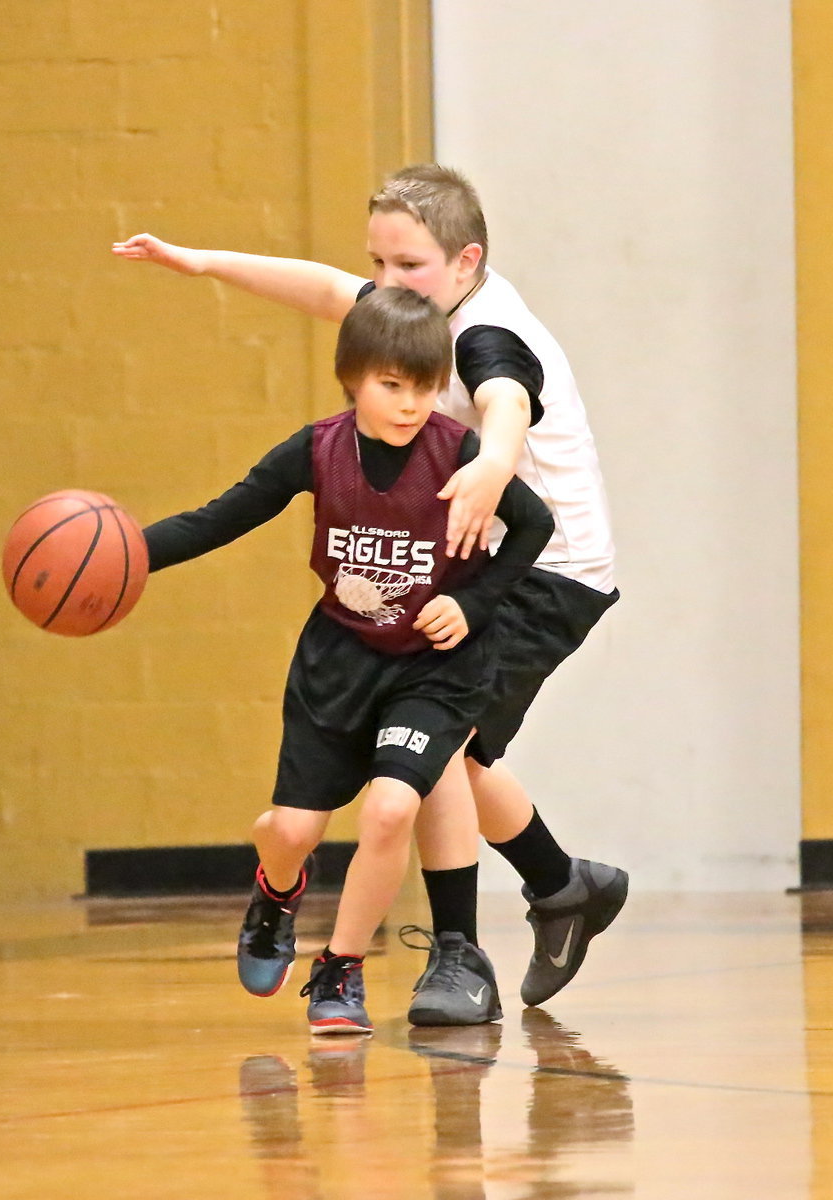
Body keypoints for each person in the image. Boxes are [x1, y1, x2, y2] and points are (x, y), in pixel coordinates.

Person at [113, 163, 628, 1017]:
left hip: (545, 568)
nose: (387, 285)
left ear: (466, 263)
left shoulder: (486, 332)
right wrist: (200, 262)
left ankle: (463, 956)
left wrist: (494, 462)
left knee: (435, 757)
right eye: (378, 264)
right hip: (472, 557)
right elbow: (322, 287)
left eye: (408, 268)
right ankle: (563, 887)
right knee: (452, 751)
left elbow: (504, 397)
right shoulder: (416, 315)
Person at [141, 287, 554, 1033]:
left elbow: (534, 526)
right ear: (352, 377)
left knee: (392, 808)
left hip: (433, 667)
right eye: (392, 385)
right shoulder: (316, 449)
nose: (409, 403)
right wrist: (130, 555)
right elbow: (219, 518)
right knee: (291, 831)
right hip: (339, 661)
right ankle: (276, 887)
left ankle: (339, 970)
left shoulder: (457, 452)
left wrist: (474, 602)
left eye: (425, 388)